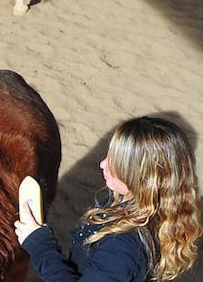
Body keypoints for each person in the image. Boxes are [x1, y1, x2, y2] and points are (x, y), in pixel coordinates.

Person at [14, 116, 202, 281]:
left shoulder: (122, 248)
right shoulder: (142, 202)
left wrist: (39, 243)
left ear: (141, 178)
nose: (103, 164)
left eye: (116, 162)